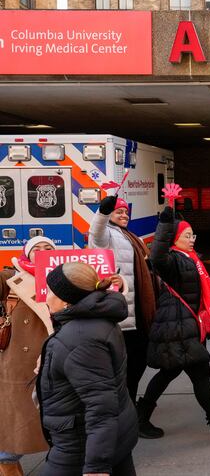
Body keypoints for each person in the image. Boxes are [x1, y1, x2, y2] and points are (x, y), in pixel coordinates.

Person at [141, 204, 210, 440]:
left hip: (187, 327)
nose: (192, 239)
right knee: (199, 373)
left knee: (170, 373)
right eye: (187, 235)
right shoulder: (170, 261)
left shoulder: (191, 259)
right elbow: (157, 254)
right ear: (174, 238)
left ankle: (141, 418)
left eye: (193, 235)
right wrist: (165, 222)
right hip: (178, 328)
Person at [37, 262, 138, 476]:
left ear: (65, 300)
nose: (45, 297)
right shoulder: (97, 320)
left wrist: (96, 468)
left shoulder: (78, 339)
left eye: (49, 291)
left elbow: (100, 405)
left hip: (78, 447)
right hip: (111, 435)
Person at [89, 194, 156, 404]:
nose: (124, 215)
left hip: (135, 310)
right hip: (121, 315)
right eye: (119, 211)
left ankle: (128, 402)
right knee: (129, 364)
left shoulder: (126, 234)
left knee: (138, 359)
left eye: (126, 212)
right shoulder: (105, 234)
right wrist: (102, 212)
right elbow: (96, 231)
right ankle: (126, 406)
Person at [0, 237, 56, 476]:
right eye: (37, 249)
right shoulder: (9, 277)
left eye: (48, 248)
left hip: (56, 356)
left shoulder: (65, 276)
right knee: (16, 428)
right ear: (27, 254)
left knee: (59, 422)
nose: (42, 252)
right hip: (20, 364)